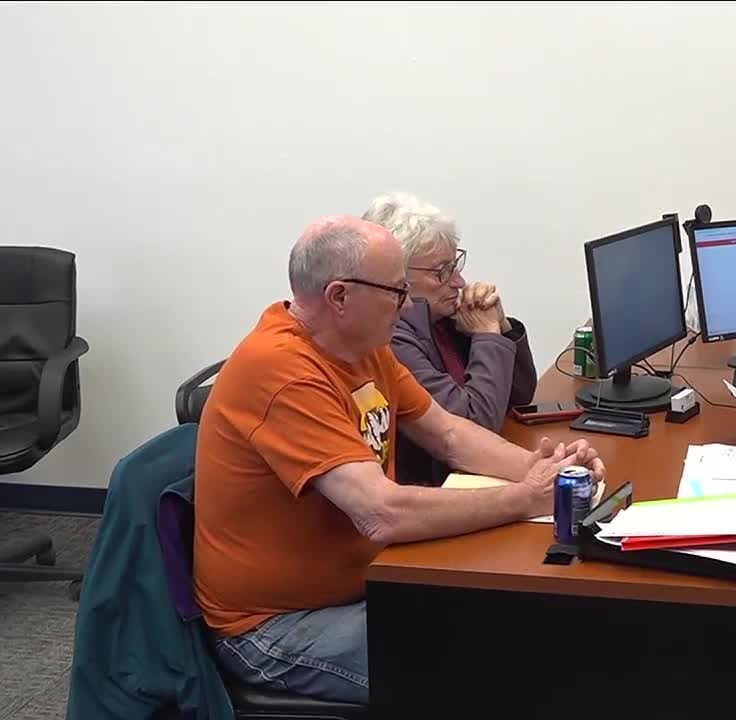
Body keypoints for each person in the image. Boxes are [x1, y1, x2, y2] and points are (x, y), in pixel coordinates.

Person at [192, 216, 604, 705]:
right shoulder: (284, 372)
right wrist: (525, 496)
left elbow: (450, 433)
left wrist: (543, 467)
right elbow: (380, 513)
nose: (408, 304)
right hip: (274, 628)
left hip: (369, 581)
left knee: (526, 631)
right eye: (396, 291)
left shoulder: (363, 346)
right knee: (498, 679)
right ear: (340, 297)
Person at [362, 192, 537, 487]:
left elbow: (519, 396)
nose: (459, 282)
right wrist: (486, 336)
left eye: (454, 265)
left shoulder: (447, 318)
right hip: (433, 491)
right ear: (396, 278)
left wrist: (502, 327)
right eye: (441, 272)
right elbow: (476, 424)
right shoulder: (392, 340)